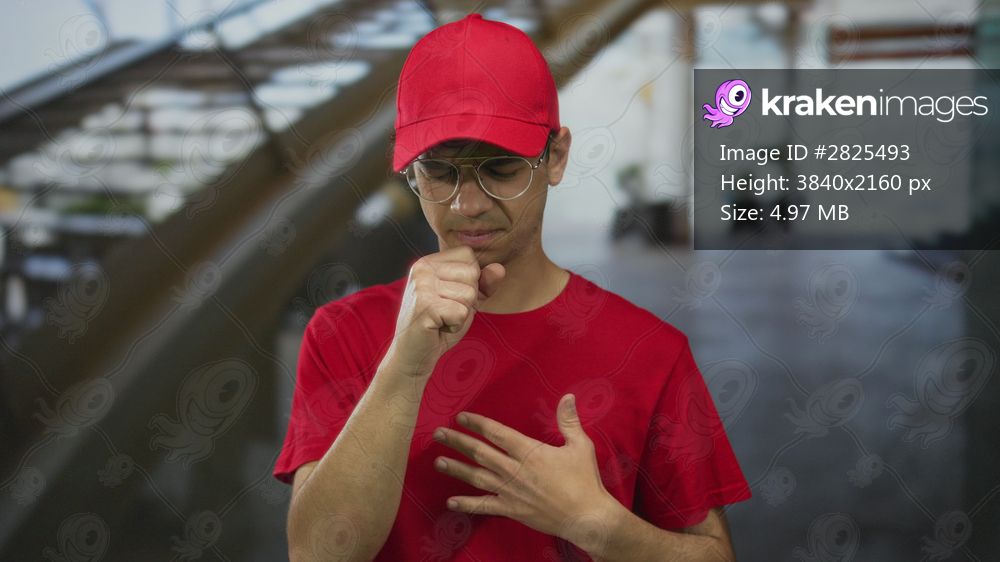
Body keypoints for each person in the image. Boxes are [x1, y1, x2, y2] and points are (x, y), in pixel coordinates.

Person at [273, 13, 751, 562]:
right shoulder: (343, 334)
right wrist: (404, 368)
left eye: (500, 169)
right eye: (439, 172)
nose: (468, 204)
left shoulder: (650, 354)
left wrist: (601, 527)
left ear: (556, 157)